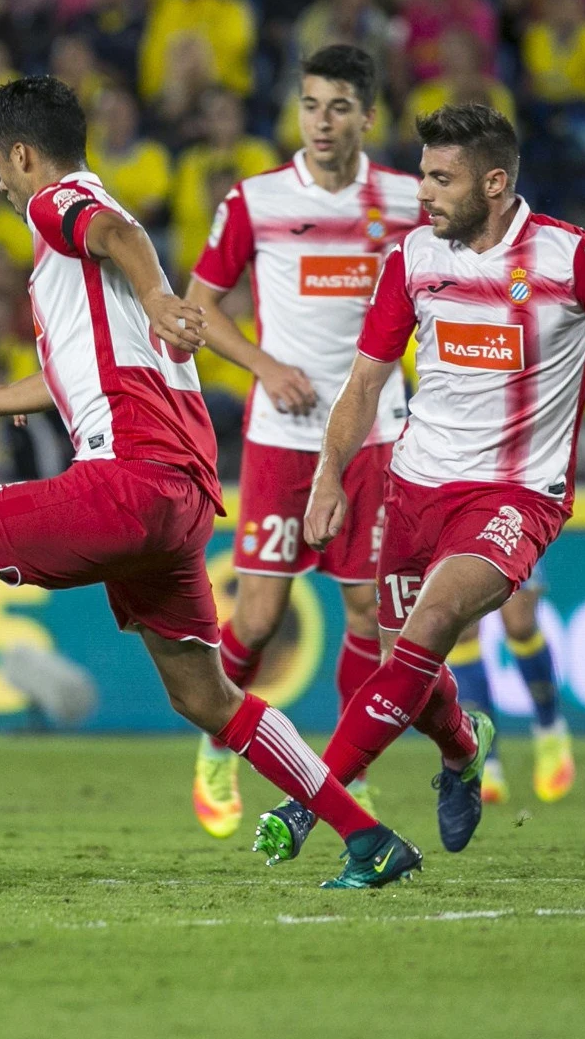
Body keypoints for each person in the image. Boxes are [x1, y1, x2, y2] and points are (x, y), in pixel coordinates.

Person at [0, 77, 425, 890]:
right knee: (206, 697)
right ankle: (367, 836)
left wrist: (163, 293)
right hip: (181, 499)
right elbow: (84, 369)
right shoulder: (87, 273)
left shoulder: (60, 205)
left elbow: (115, 232)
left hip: (125, 480)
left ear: (22, 154)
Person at [258, 103, 585, 867]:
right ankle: (464, 751)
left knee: (428, 632)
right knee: (413, 676)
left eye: (440, 178)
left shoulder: (579, 261)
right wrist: (330, 472)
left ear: (494, 183)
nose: (423, 191)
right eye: (424, 174)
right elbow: (365, 382)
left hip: (515, 497)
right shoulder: (413, 259)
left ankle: (309, 801)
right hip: (412, 489)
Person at [179, 45, 424, 839]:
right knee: (257, 615)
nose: (323, 121)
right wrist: (264, 364)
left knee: (366, 608)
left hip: (374, 432)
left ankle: (346, 776)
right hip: (282, 437)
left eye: (340, 106)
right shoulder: (255, 201)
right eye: (311, 104)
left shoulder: (405, 199)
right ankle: (218, 750)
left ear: (368, 117)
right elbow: (196, 307)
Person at [449, 570, 573, 804]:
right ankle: (484, 758)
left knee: (520, 625)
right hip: (454, 533)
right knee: (462, 631)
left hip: (512, 532)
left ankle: (550, 731)